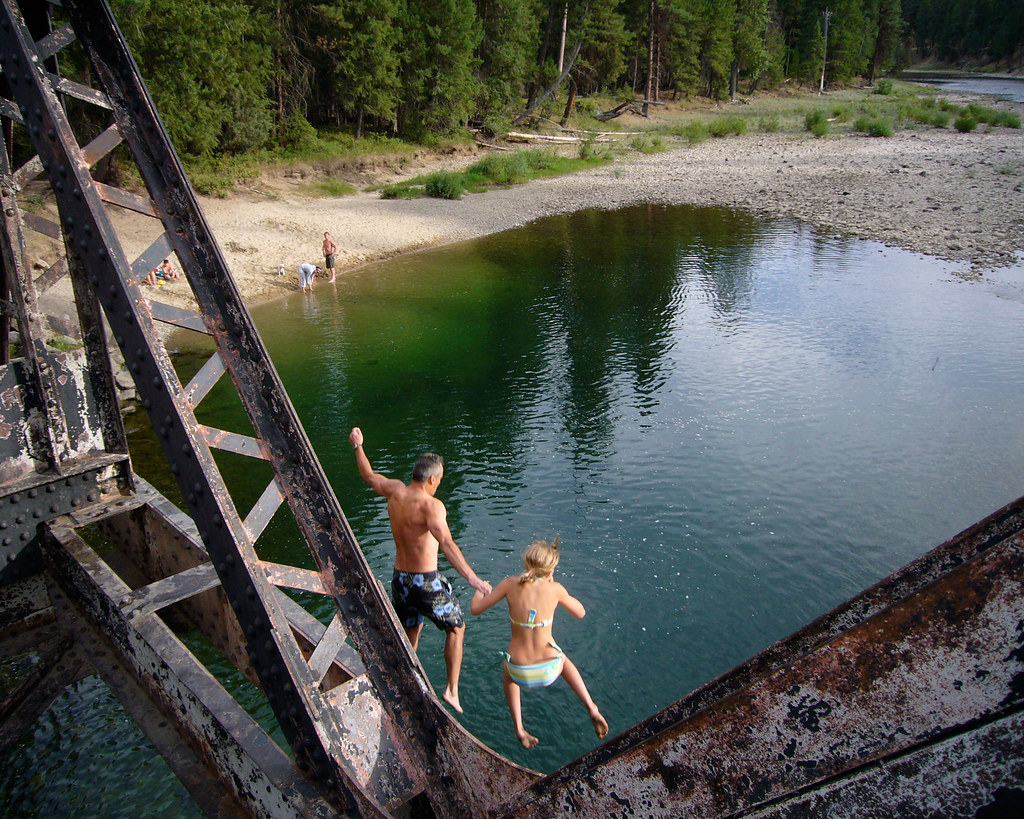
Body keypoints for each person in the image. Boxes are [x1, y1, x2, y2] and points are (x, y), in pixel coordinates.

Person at [349, 427, 492, 713]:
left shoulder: (395, 491)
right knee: (456, 627)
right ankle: (452, 691)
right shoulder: (432, 506)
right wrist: (472, 577)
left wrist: (358, 447)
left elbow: (368, 476)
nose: (438, 484)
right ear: (431, 478)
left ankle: (401, 680)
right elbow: (447, 544)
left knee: (411, 629)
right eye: (439, 480)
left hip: (400, 580)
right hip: (424, 583)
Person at [470, 538, 608, 749]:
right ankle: (591, 707)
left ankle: (519, 728)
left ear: (527, 564)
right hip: (549, 670)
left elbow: (476, 609)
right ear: (550, 570)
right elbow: (581, 612)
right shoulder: (556, 590)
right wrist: (560, 591)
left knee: (508, 675)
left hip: (519, 671)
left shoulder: (509, 584)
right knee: (564, 662)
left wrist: (479, 590)